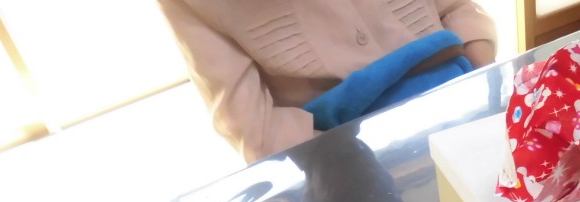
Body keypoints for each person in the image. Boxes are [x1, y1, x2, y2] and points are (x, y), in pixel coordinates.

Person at [155, 0, 498, 162]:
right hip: (337, 152)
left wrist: (484, 82)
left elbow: (459, 10)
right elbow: (254, 129)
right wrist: (353, 171)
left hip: (462, 102)